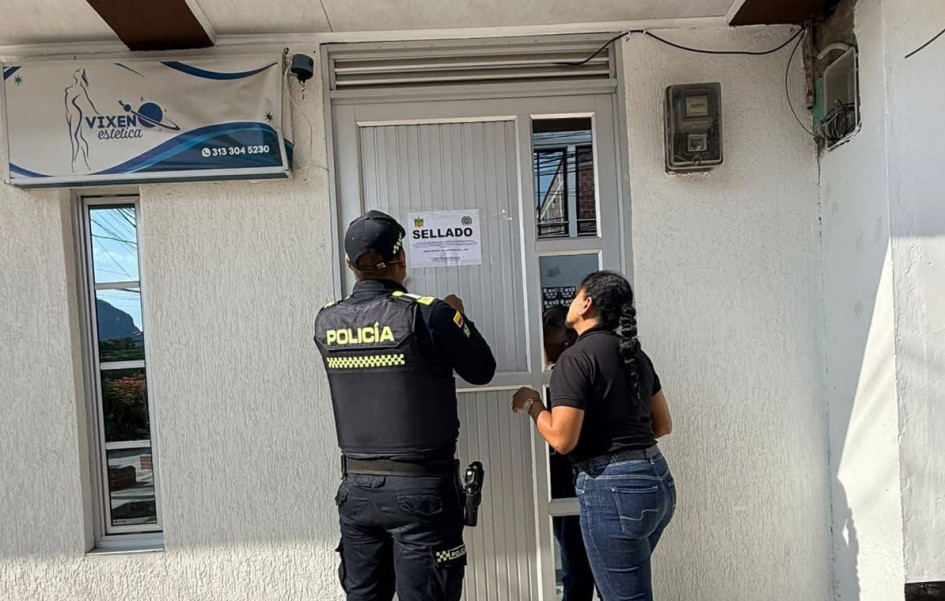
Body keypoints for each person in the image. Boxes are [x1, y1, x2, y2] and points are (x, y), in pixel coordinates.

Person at [314, 210, 497, 601]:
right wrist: (457, 315)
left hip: (356, 491)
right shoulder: (430, 313)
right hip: (421, 492)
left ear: (350, 266)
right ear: (400, 258)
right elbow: (483, 370)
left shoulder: (327, 319)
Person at [513, 271, 674, 601]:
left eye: (575, 296)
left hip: (614, 491)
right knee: (619, 589)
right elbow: (662, 425)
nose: (571, 303)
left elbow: (561, 439)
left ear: (586, 304)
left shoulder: (575, 359)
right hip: (657, 483)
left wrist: (532, 404)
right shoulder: (635, 355)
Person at [543, 306, 596, 601]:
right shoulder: (549, 373)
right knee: (574, 562)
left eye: (551, 324)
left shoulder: (572, 373)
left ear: (568, 338)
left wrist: (533, 406)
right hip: (555, 481)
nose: (543, 330)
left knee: (577, 568)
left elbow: (563, 438)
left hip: (576, 480)